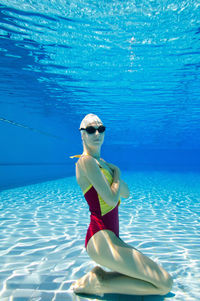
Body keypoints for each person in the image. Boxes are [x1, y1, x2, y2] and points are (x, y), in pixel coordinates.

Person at [70, 113, 173, 297]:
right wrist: (116, 174)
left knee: (161, 281)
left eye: (101, 129)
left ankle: (100, 278)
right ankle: (97, 284)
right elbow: (111, 199)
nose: (97, 133)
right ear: (82, 134)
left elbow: (126, 193)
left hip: (110, 238)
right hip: (100, 238)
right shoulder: (85, 162)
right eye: (91, 130)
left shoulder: (102, 164)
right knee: (164, 285)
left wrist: (113, 172)